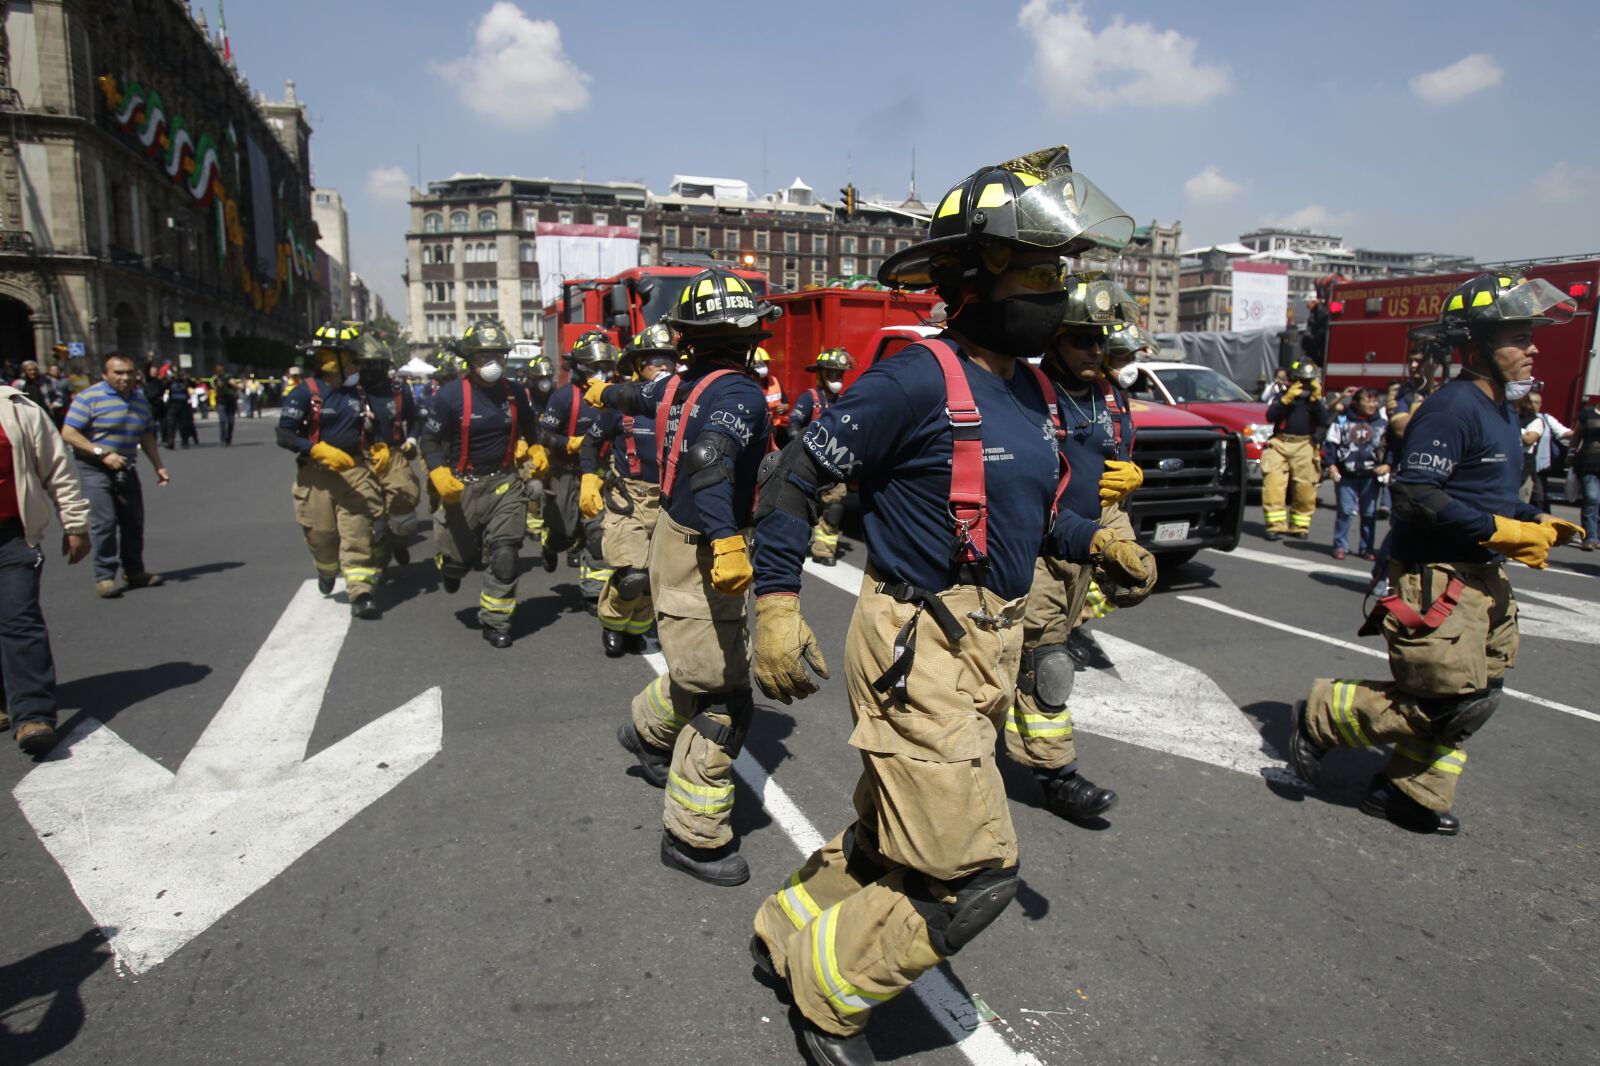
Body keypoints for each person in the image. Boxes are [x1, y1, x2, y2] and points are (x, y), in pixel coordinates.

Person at [745, 146, 1147, 1063]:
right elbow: (790, 480)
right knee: (973, 879)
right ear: (975, 277)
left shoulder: (1035, 390)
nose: (1060, 292)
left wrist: (1101, 542)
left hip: (989, 647)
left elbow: (1042, 514)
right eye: (1040, 271)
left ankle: (784, 929)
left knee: (894, 839)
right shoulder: (916, 379)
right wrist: (777, 605)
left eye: (1064, 272)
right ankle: (827, 993)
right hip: (917, 645)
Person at [1287, 274, 1583, 835]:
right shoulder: (1453, 408)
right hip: (1438, 576)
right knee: (1447, 701)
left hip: (1482, 573)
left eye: (1533, 335)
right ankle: (1322, 717)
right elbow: (1416, 495)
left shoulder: (1501, 409)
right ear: (1477, 345)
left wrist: (1532, 521)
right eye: (1519, 336)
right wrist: (1502, 530)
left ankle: (1408, 793)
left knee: (1479, 697)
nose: (1535, 347)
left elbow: (1482, 496)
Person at [592, 267, 775, 887]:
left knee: (698, 663)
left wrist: (602, 394)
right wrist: (727, 538)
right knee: (726, 699)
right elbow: (710, 461)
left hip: (673, 534)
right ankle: (692, 837)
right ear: (749, 338)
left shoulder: (676, 387)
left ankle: (646, 734)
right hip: (703, 545)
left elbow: (631, 398)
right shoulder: (742, 394)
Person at [1005, 280, 1155, 826]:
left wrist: (1126, 529)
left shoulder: (1110, 394)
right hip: (1037, 546)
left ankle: (985, 739)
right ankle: (1058, 776)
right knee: (1048, 663)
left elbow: (1107, 478)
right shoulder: (1026, 391)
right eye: (1082, 341)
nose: (1096, 351)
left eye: (1101, 341)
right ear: (1054, 340)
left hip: (1088, 537)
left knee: (1025, 658)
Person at [420, 320, 541, 648]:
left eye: (497, 356)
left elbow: (531, 426)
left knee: (505, 554)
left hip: (503, 483)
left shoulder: (515, 393)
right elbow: (429, 440)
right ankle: (451, 568)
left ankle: (497, 620)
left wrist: (536, 446)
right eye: (482, 357)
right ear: (469, 359)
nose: (491, 364)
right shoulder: (449, 396)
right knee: (460, 562)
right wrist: (439, 473)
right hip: (461, 486)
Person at [0, 376, 90, 755]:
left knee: (19, 618)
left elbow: (57, 468)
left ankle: (33, 714)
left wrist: (75, 524)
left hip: (11, 534)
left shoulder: (17, 407)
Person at [276, 322, 384, 620]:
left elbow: (374, 427)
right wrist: (316, 449)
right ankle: (325, 569)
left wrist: (379, 444)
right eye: (351, 357)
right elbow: (284, 434)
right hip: (317, 474)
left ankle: (361, 591)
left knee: (358, 531)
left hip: (355, 471)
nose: (356, 364)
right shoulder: (305, 393)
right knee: (322, 535)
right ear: (332, 359)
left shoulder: (360, 393)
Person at [579, 324, 674, 657]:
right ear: (637, 365)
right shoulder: (619, 404)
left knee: (652, 575)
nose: (663, 367)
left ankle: (636, 627)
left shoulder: (679, 405)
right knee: (632, 574)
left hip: (667, 498)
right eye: (654, 360)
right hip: (628, 499)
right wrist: (589, 479)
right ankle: (613, 622)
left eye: (668, 360)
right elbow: (590, 444)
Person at [59, 353, 169, 598]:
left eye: (129, 372)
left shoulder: (140, 400)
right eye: (118, 373)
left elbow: (147, 435)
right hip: (95, 467)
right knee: (105, 521)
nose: (125, 377)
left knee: (133, 521)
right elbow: (68, 432)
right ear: (105, 375)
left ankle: (134, 571)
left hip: (125, 467)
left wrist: (158, 466)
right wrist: (101, 453)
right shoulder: (90, 398)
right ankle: (104, 576)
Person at [539, 332, 616, 606]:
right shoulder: (563, 398)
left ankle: (594, 591)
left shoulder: (615, 396)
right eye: (596, 367)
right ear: (580, 366)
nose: (602, 373)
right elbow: (544, 434)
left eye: (606, 366)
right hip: (567, 472)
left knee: (597, 533)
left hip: (601, 473)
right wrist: (568, 443)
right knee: (565, 532)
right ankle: (551, 542)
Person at [356, 337, 422, 573]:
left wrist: (412, 439)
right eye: (365, 365)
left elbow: (415, 419)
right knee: (368, 517)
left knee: (405, 518)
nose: (371, 371)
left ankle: (399, 541)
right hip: (361, 457)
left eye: (376, 364)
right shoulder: (349, 391)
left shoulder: (398, 389)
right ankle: (380, 551)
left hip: (394, 455)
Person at [790, 347, 855, 565]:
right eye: (832, 373)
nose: (837, 378)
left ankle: (824, 550)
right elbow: (794, 425)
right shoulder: (809, 398)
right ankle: (791, 547)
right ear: (821, 373)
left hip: (834, 465)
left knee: (834, 509)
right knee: (798, 508)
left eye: (840, 374)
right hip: (808, 463)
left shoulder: (845, 400)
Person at [1261, 358, 1330, 540]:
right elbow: (1271, 416)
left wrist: (1316, 400)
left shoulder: (1316, 400)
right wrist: (1287, 399)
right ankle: (1275, 525)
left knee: (1305, 488)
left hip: (1305, 445)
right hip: (1280, 443)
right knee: (1273, 486)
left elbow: (1324, 421)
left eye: (1308, 381)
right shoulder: (1283, 396)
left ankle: (1299, 526)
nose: (1305, 385)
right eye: (1301, 381)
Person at [1325, 388, 1388, 559]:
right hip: (1346, 474)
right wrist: (1331, 465)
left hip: (1370, 475)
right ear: (1357, 402)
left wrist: (1388, 465)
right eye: (1367, 400)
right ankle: (1340, 545)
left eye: (1375, 401)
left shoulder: (1382, 423)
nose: (1372, 404)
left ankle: (1367, 548)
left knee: (1369, 513)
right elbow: (1331, 443)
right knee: (1345, 511)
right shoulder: (1342, 419)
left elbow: (1391, 447)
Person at [518, 352, 557, 544]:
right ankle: (533, 522)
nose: (544, 383)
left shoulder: (556, 397)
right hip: (528, 449)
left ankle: (555, 519)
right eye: (540, 379)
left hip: (552, 447)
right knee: (535, 486)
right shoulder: (522, 397)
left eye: (547, 379)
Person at [1518, 391, 1572, 509]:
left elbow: (1563, 432)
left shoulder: (1545, 419)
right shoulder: (1516, 418)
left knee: (1539, 498)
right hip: (1522, 464)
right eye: (1530, 402)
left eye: (1537, 402)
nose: (1533, 405)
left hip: (1540, 466)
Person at [1571, 394, 1600, 550]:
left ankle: (1598, 536)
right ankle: (1590, 537)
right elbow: (1576, 436)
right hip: (1588, 462)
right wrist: (1571, 453)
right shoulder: (1587, 413)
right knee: (1592, 498)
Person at [752, 346, 789, 441]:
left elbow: (786, 403)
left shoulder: (775, 381)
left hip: (773, 433)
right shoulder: (744, 384)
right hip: (753, 433)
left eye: (766, 363)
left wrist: (784, 407)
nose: (764, 366)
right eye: (760, 364)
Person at [211, 368, 239, 446]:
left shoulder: (228, 377)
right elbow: (215, 387)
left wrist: (232, 384)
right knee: (222, 420)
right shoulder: (215, 379)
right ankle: (222, 439)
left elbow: (236, 386)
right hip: (221, 401)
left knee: (231, 422)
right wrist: (217, 385)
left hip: (231, 401)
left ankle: (228, 438)